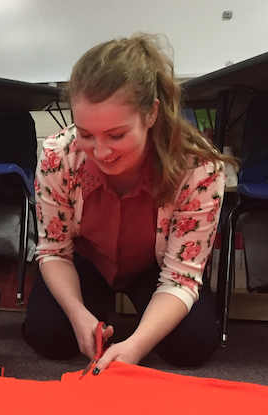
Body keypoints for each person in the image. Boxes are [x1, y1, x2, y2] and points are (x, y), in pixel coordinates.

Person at [22, 33, 238, 373]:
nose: (101, 152)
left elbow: (181, 276)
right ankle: (93, 308)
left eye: (117, 135)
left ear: (151, 115)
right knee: (50, 335)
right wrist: (78, 315)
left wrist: (136, 346)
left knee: (191, 345)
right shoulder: (58, 156)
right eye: (86, 134)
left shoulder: (198, 168)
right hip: (86, 260)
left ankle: (131, 325)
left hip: (154, 267)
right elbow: (54, 251)